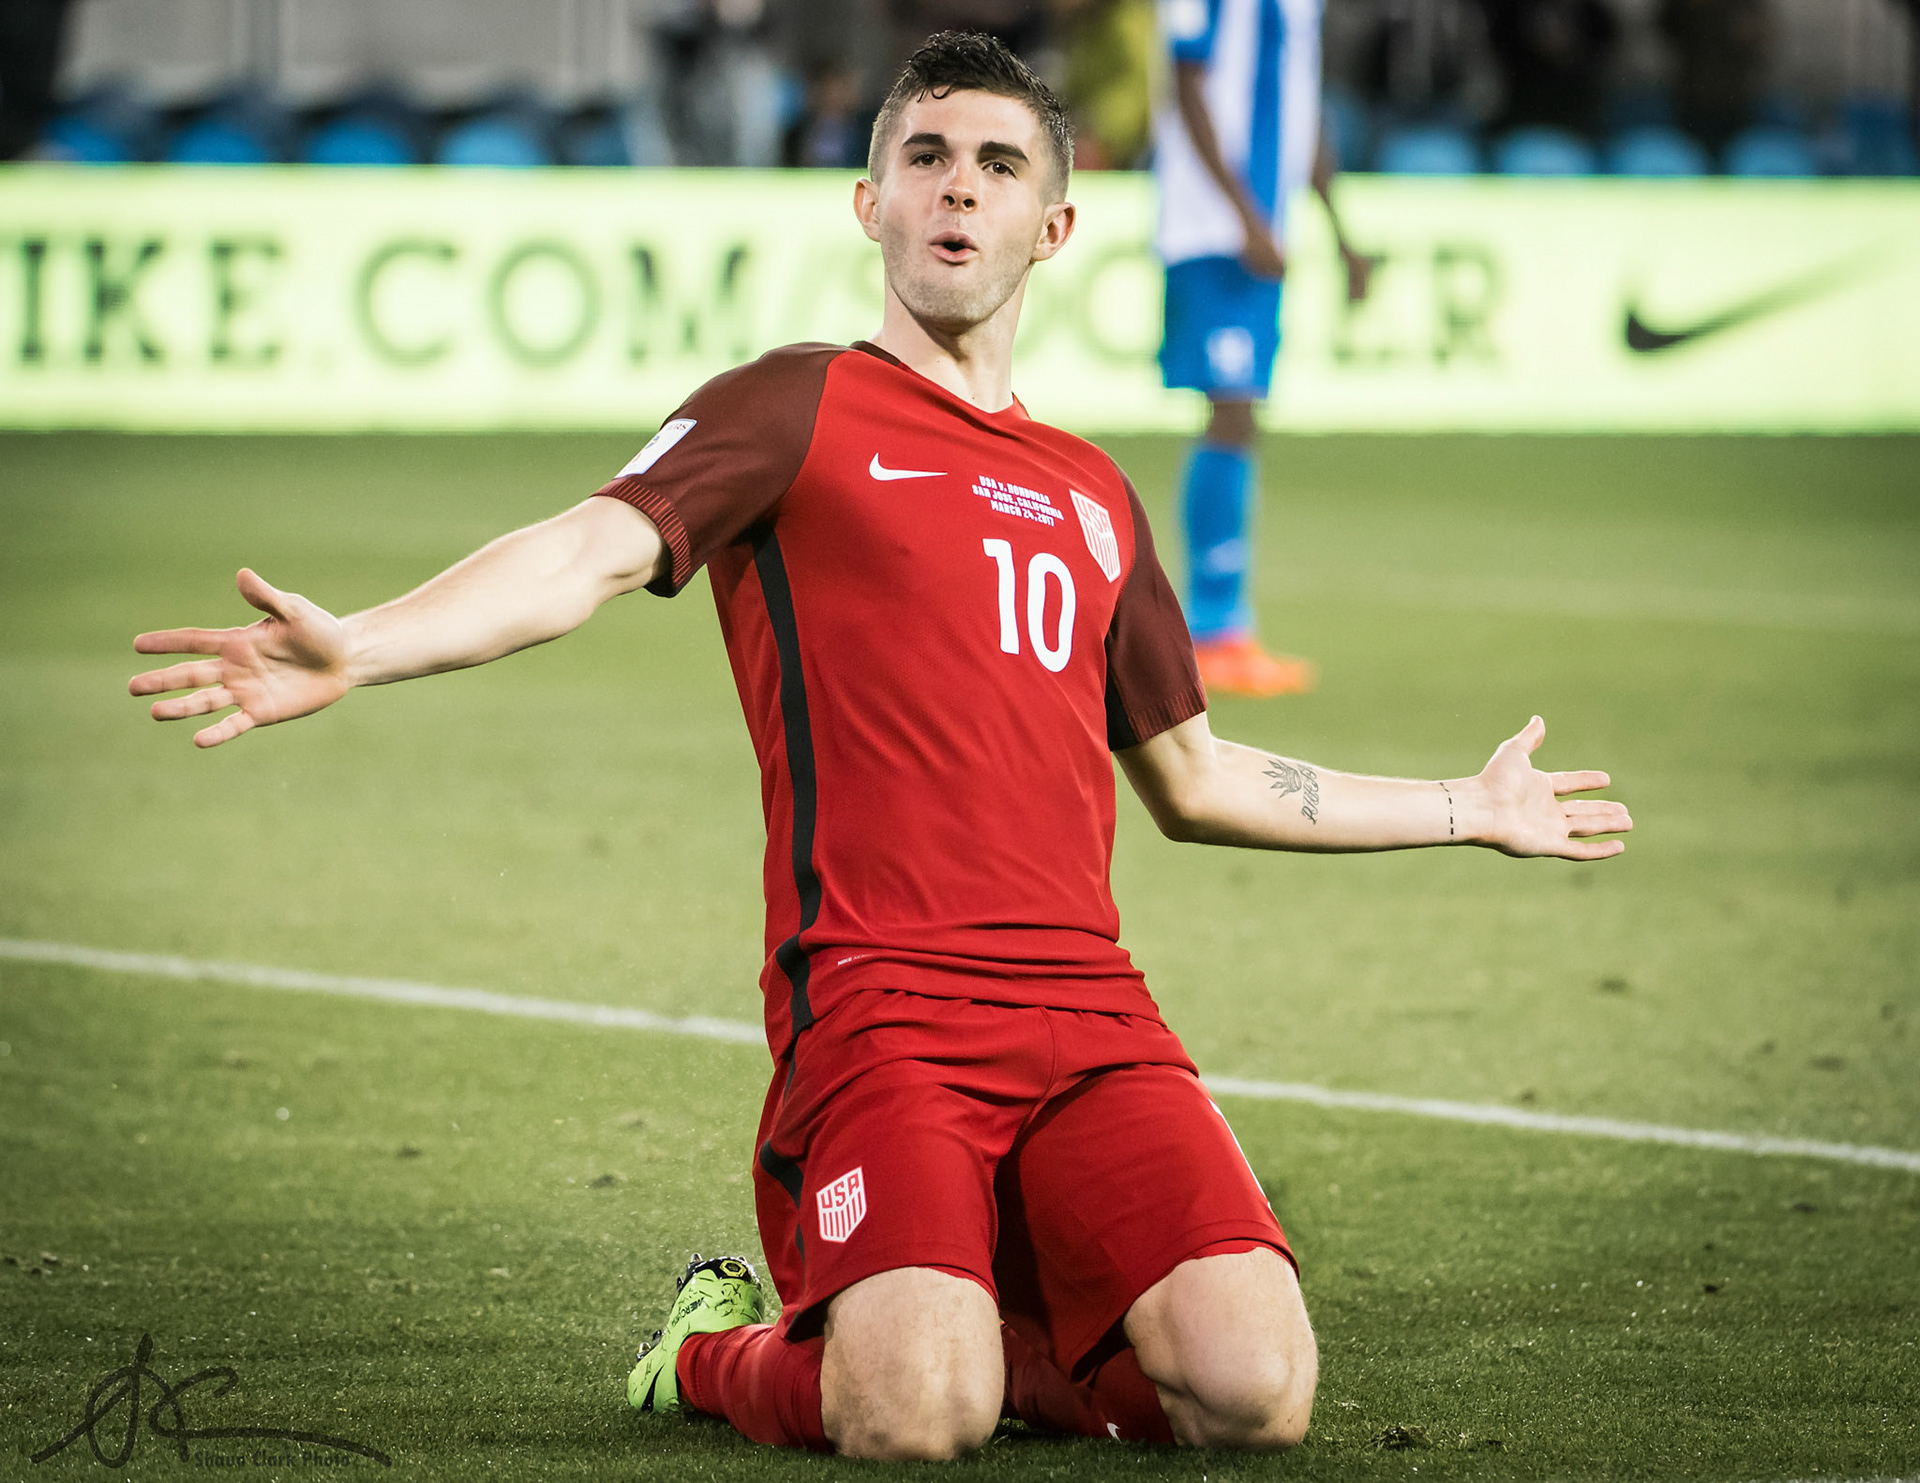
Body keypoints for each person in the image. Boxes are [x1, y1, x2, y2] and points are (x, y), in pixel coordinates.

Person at [129, 32, 1630, 1461]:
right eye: (923, 155)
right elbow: (582, 552)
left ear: (1054, 225)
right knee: (914, 1414)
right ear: (870, 204)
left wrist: (1468, 802)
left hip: (1090, 1012)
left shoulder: (1097, 495)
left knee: (1255, 1390)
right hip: (881, 1007)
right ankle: (718, 1341)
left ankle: (981, 1326)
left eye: (993, 161)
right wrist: (367, 642)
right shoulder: (795, 406)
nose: (957, 183)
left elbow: (1201, 778)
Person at [1154, 0, 1376, 697]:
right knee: (1232, 411)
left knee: (1243, 415)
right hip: (1211, 233)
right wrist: (1243, 217)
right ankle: (1211, 627)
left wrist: (1339, 230)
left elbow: (1302, 106)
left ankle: (1222, 626)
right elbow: (1183, 84)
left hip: (1263, 237)